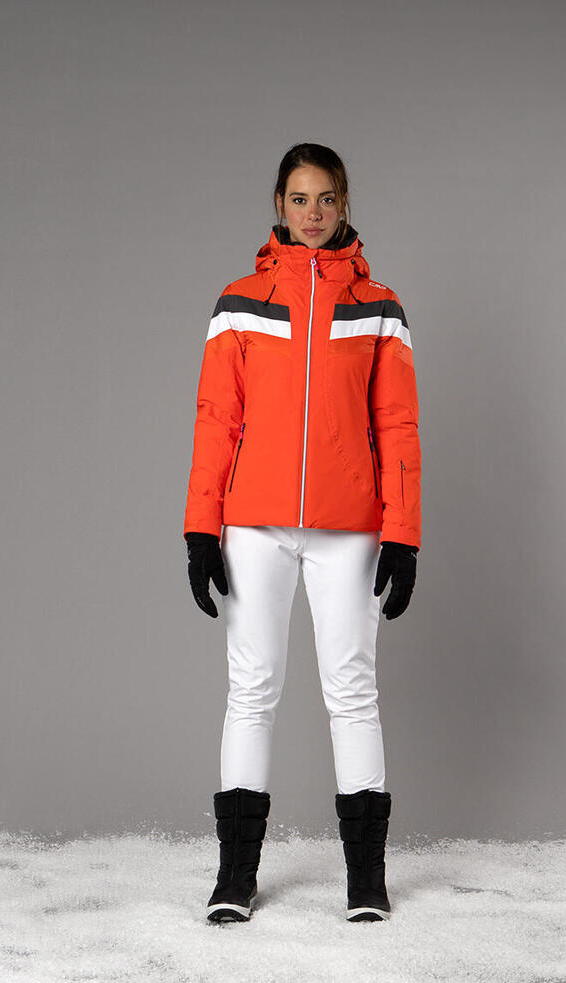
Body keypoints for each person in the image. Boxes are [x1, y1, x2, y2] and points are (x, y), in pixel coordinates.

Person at [183, 143, 421, 924]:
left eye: (325, 199)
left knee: (352, 694)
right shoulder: (239, 304)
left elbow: (398, 425)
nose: (312, 213)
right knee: (251, 691)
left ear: (343, 204)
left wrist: (403, 535)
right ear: (278, 205)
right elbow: (217, 420)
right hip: (253, 525)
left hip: (348, 528)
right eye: (298, 198)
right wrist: (200, 527)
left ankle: (366, 883)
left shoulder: (380, 308)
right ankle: (235, 878)